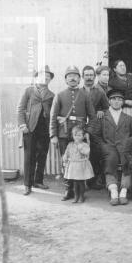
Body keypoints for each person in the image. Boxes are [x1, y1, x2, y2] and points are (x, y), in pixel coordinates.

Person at [50, 65, 96, 201]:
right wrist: (53, 135)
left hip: (80, 134)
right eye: (69, 76)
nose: (72, 78)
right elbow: (53, 117)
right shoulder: (59, 95)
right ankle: (68, 189)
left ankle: (80, 191)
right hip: (64, 133)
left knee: (81, 161)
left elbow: (92, 117)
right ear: (65, 79)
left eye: (75, 76)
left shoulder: (85, 95)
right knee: (67, 161)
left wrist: (87, 131)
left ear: (79, 79)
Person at [87, 89, 132, 205]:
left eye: (119, 100)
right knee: (111, 159)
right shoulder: (102, 116)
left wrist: (128, 145)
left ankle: (123, 191)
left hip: (124, 147)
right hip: (108, 146)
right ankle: (113, 191)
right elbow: (96, 134)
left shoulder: (129, 118)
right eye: (114, 99)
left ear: (122, 102)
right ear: (109, 101)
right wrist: (104, 146)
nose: (117, 102)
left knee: (127, 161)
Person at [18, 65, 55, 195]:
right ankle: (27, 184)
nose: (45, 78)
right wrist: (22, 125)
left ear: (50, 80)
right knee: (29, 157)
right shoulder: (29, 91)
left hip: (45, 129)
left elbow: (53, 113)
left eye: (47, 77)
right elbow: (21, 108)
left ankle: (38, 181)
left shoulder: (51, 95)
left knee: (42, 155)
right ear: (36, 77)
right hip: (30, 128)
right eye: (42, 76)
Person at [81, 65, 109, 190]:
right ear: (82, 77)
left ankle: (95, 180)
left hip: (95, 128)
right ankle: (81, 181)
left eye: (91, 75)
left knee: (95, 153)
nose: (89, 78)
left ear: (94, 76)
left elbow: (107, 107)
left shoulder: (100, 91)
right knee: (81, 152)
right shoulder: (78, 91)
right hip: (81, 127)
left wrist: (102, 111)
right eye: (86, 75)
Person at [62, 126, 94, 203]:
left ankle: (82, 196)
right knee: (75, 182)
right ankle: (76, 196)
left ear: (83, 137)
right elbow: (67, 152)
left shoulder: (84, 145)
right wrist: (65, 157)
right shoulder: (70, 144)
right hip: (73, 166)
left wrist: (80, 146)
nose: (77, 137)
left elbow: (87, 152)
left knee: (81, 182)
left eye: (79, 135)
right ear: (72, 136)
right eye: (75, 135)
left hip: (81, 166)